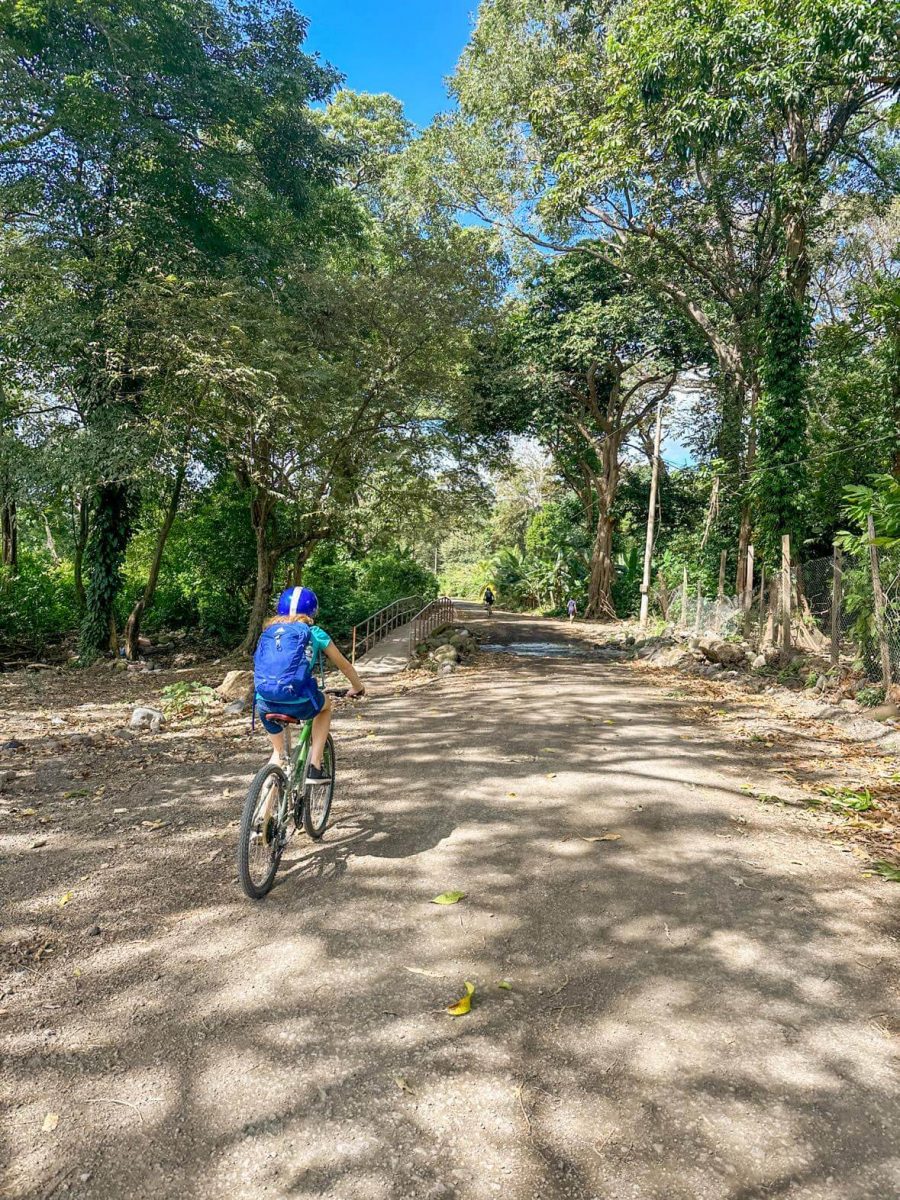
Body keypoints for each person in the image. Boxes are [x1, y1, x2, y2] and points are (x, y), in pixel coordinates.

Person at [254, 586, 365, 782]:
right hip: (298, 698)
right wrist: (357, 687)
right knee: (325, 706)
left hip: (264, 701)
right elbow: (345, 666)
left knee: (278, 757)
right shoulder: (314, 632)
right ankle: (315, 766)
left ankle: (263, 811)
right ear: (312, 611)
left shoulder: (271, 631)